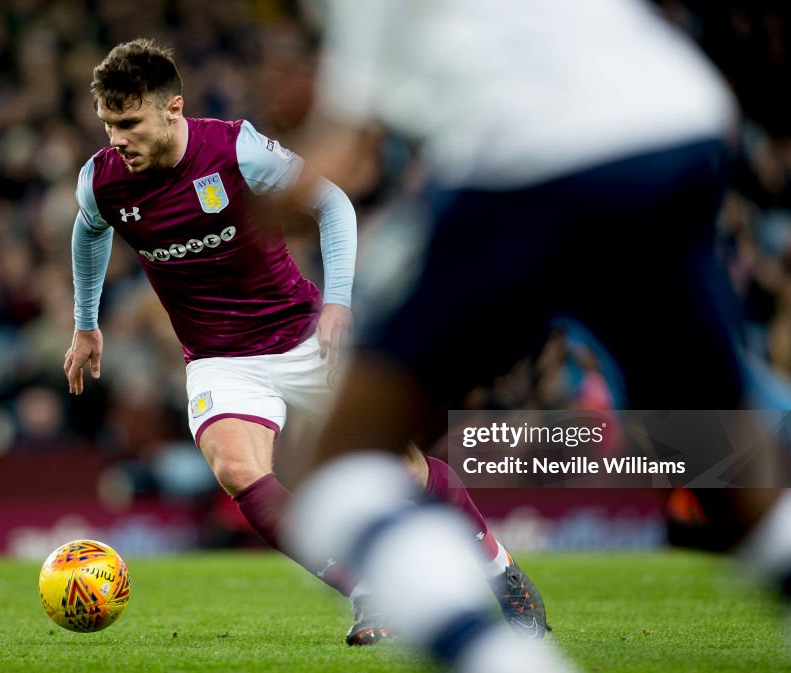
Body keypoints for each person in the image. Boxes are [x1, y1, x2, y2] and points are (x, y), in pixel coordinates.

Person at [282, 1, 791, 672]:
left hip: (540, 155)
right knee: (717, 465)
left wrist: (245, 200)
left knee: (334, 466)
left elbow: (342, 148)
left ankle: (503, 658)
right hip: (680, 125)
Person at [62, 38, 547, 647]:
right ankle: (368, 593)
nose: (117, 140)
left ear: (173, 109)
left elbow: (332, 203)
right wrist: (87, 322)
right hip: (219, 360)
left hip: (299, 336)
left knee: (401, 468)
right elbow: (88, 233)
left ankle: (503, 575)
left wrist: (338, 302)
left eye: (129, 123)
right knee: (237, 469)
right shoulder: (101, 181)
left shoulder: (234, 148)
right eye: (108, 126)